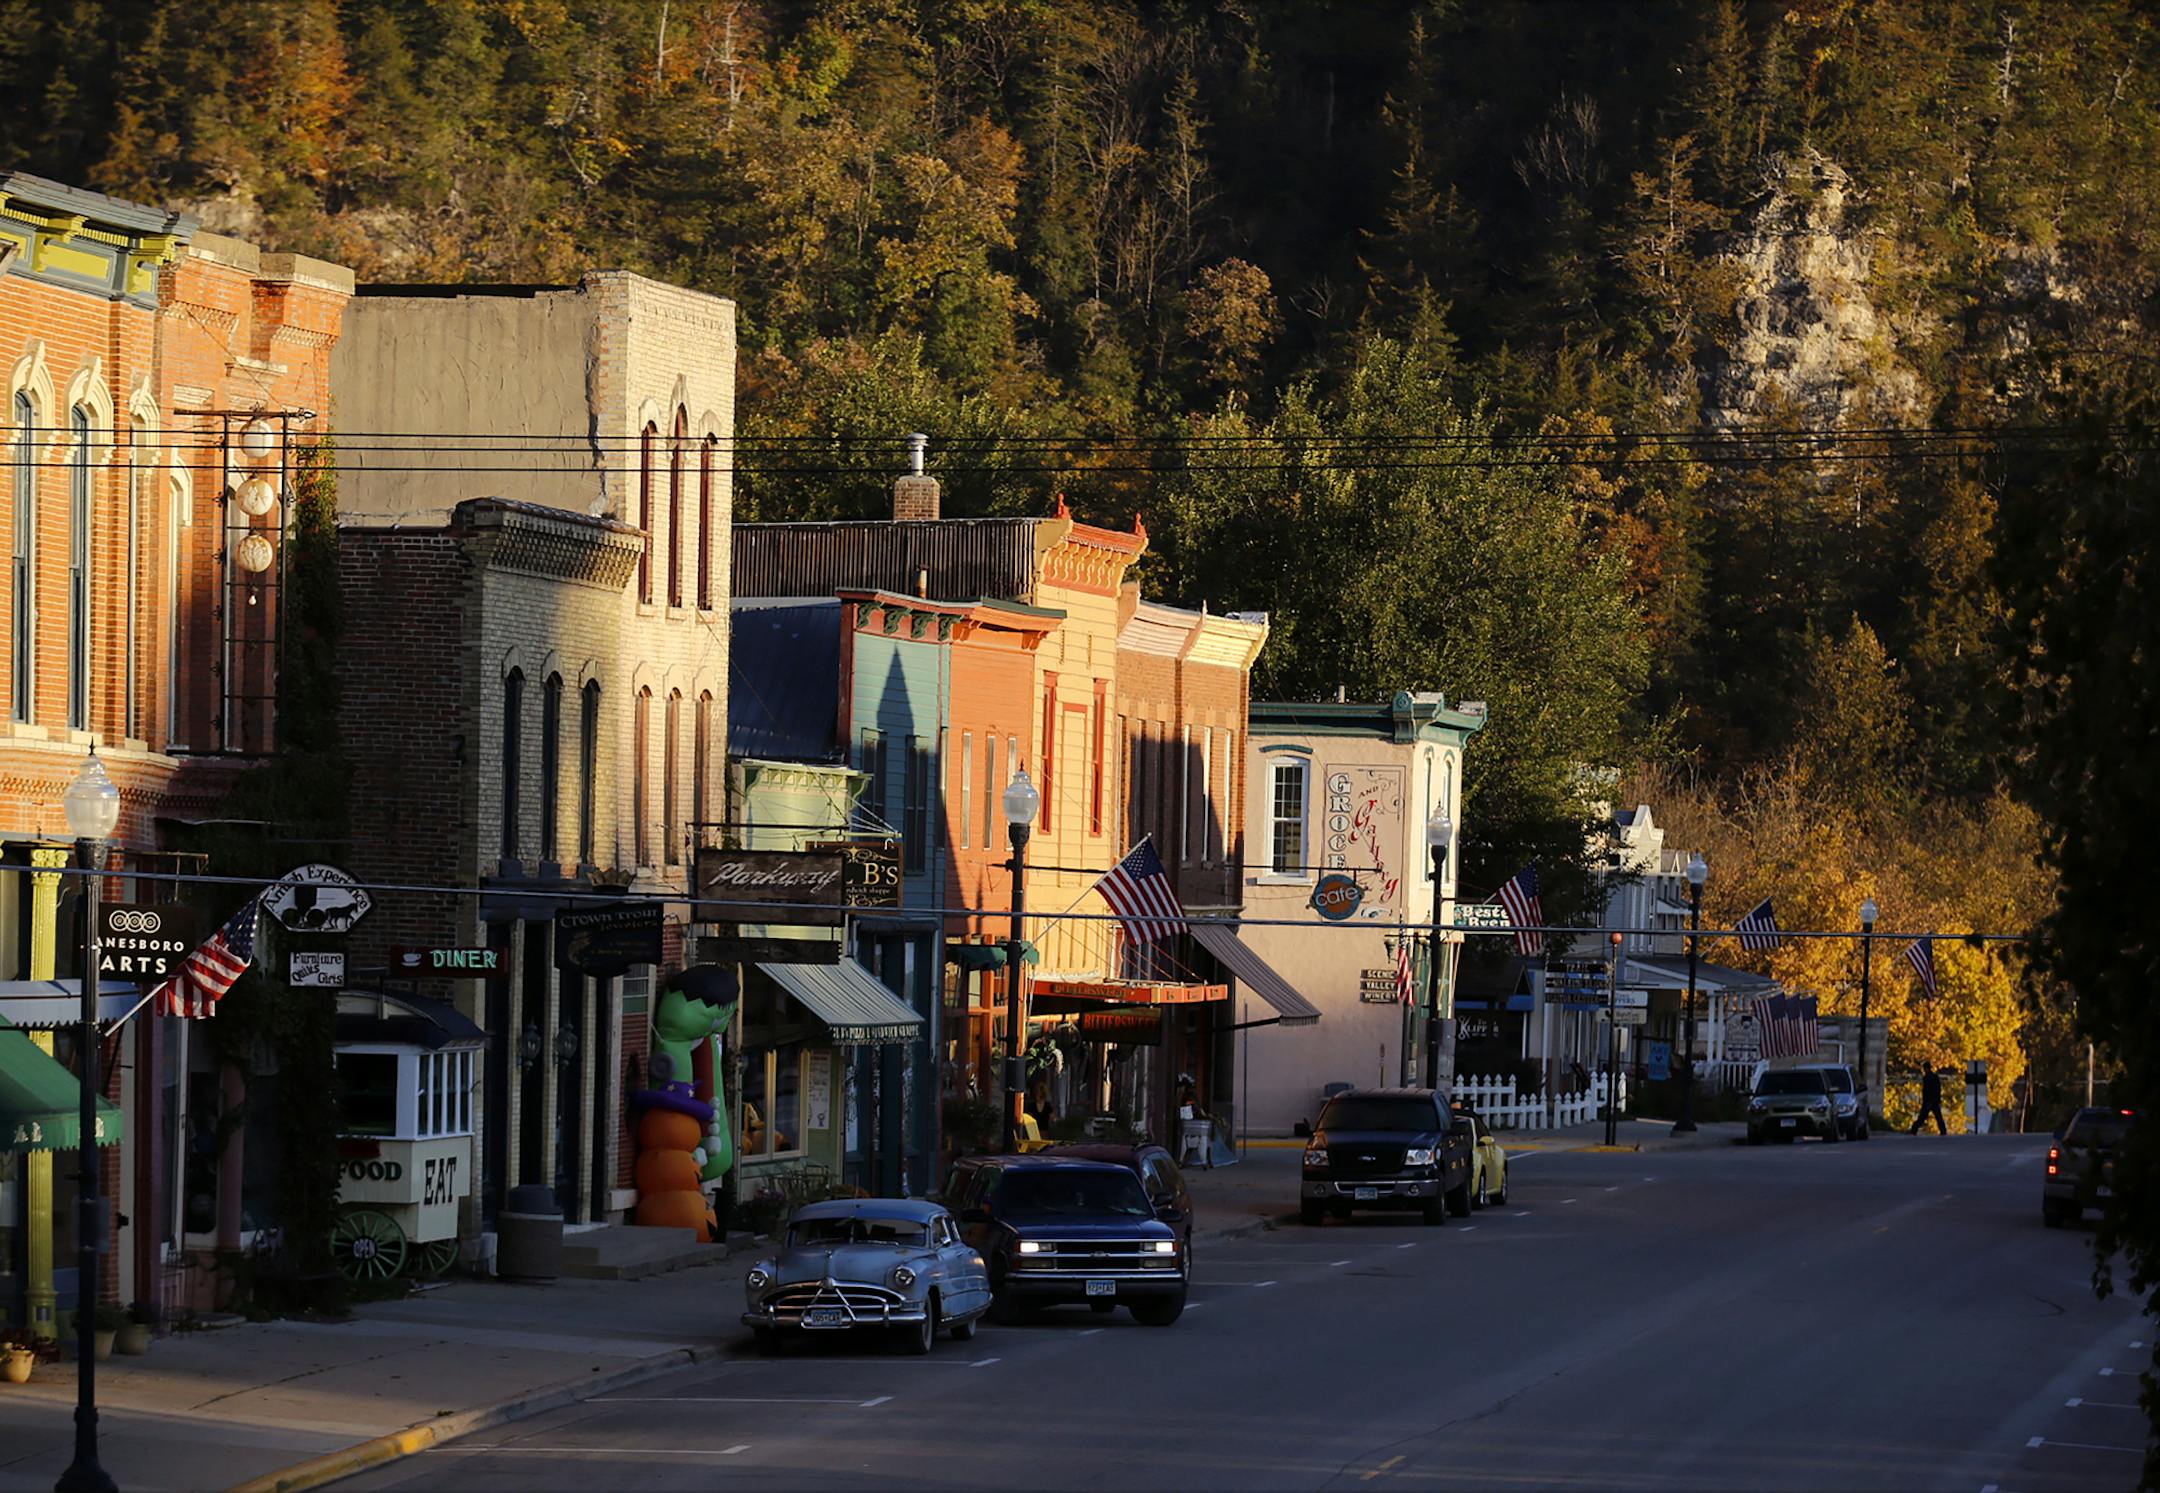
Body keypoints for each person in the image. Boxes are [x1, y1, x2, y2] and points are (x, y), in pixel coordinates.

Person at [1911, 1066, 1947, 1134]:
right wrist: (1938, 1099)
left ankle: (1914, 1129)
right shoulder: (1935, 1077)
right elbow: (1938, 1089)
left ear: (1926, 1069)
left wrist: (1925, 1101)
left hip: (1928, 1101)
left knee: (1922, 1117)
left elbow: (1926, 1091)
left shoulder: (1927, 1078)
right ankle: (1943, 1131)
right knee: (1938, 1117)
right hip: (1934, 1101)